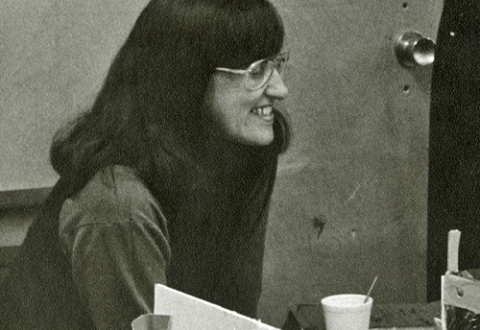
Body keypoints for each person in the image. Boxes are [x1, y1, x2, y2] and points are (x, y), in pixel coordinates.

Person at [0, 0, 290, 329]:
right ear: (187, 79)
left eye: (277, 64)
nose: (281, 88)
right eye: (257, 71)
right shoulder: (118, 205)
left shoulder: (242, 150)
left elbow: (235, 317)